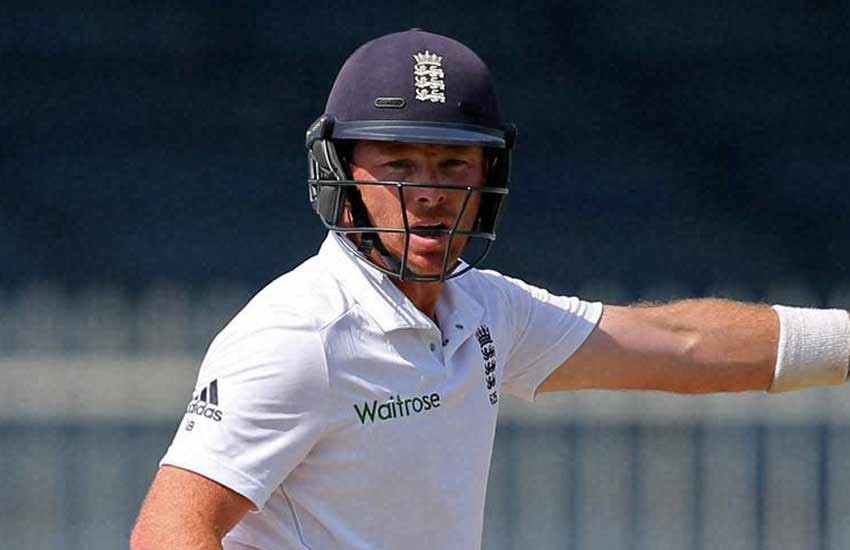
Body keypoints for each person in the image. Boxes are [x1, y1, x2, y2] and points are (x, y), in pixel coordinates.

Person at [130, 29, 850, 550]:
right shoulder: (300, 335)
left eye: (454, 164)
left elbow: (680, 345)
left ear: (488, 178)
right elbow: (168, 533)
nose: (429, 192)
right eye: (399, 163)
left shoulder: (485, 309)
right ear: (341, 175)